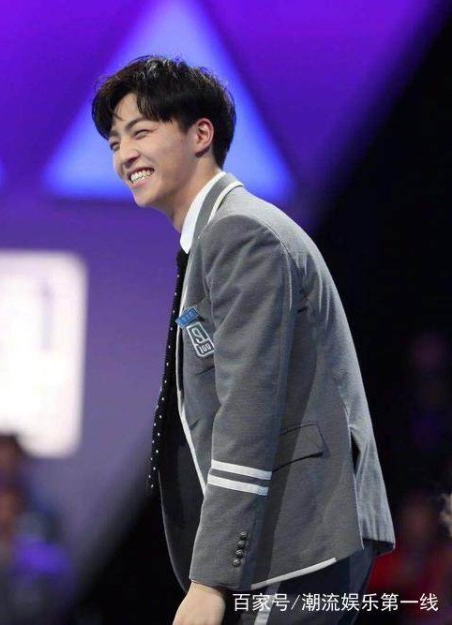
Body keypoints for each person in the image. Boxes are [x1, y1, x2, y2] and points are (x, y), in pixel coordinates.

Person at [92, 56, 395, 625]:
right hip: (292, 538)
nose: (124, 154)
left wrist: (210, 581)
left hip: (298, 535)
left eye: (141, 132)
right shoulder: (221, 234)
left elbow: (249, 412)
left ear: (200, 134)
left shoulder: (240, 233)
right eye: (114, 142)